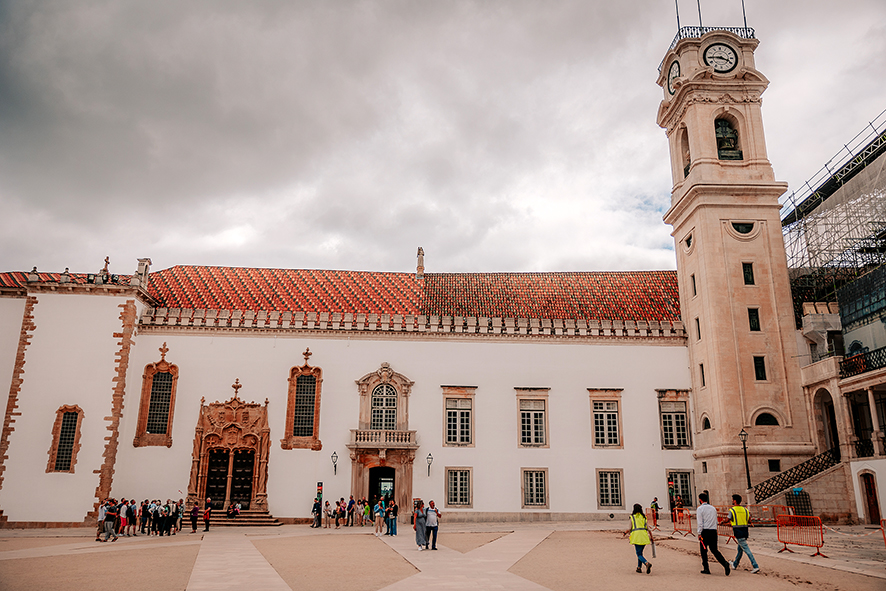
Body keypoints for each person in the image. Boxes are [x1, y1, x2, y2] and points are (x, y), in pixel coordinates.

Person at [722, 494, 760, 573]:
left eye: (732, 500)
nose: (732, 501)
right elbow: (749, 520)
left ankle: (755, 565)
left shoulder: (732, 510)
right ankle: (735, 564)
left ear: (735, 501)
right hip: (745, 530)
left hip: (737, 531)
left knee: (746, 549)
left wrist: (722, 522)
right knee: (740, 549)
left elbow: (728, 519)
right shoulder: (745, 510)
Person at [697, 493, 730, 576]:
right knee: (714, 550)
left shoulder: (700, 509)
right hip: (713, 531)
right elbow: (715, 520)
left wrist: (699, 533)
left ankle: (706, 568)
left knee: (703, 551)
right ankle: (724, 563)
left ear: (700, 499)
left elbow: (700, 522)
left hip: (705, 531)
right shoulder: (713, 508)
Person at [626, 503, 653, 573]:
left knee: (638, 554)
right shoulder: (644, 517)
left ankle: (646, 563)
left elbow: (629, 528)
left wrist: (625, 532)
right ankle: (639, 567)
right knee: (640, 553)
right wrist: (651, 537)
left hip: (636, 536)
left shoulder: (632, 517)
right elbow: (648, 528)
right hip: (644, 536)